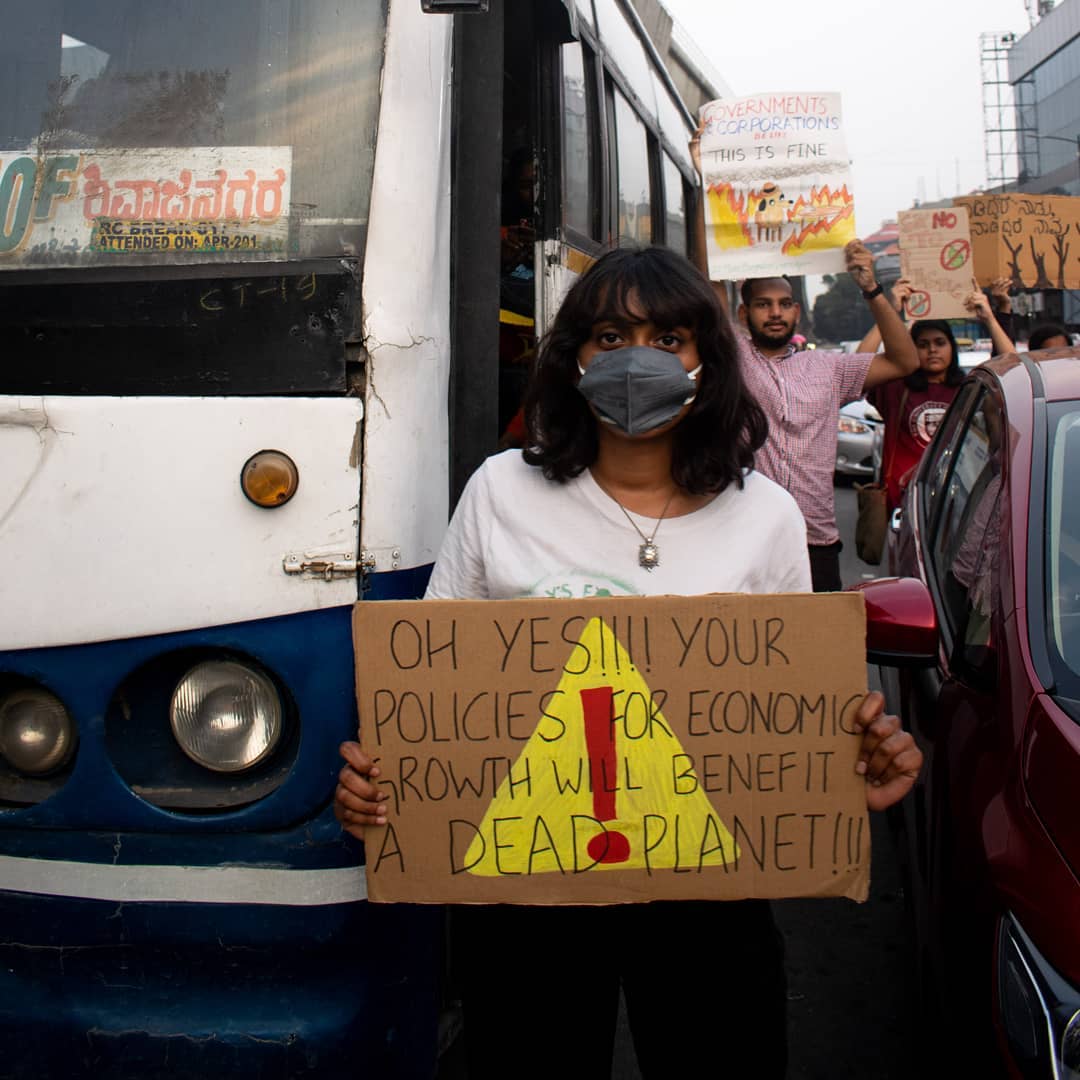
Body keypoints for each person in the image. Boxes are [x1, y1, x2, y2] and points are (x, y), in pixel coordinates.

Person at [334, 247, 924, 1080]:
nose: (637, 358)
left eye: (669, 337)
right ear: (572, 356)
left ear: (707, 362)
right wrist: (382, 777)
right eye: (611, 333)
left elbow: (804, 710)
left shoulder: (769, 521)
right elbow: (430, 697)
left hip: (710, 896)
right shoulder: (500, 492)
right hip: (525, 898)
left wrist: (857, 757)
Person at [731, 249, 918, 592]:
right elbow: (711, 293)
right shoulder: (732, 360)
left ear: (797, 312)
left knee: (820, 643)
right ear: (744, 313)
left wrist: (872, 290)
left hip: (815, 540)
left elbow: (905, 361)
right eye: (763, 304)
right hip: (744, 537)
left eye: (785, 303)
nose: (775, 313)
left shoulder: (829, 368)